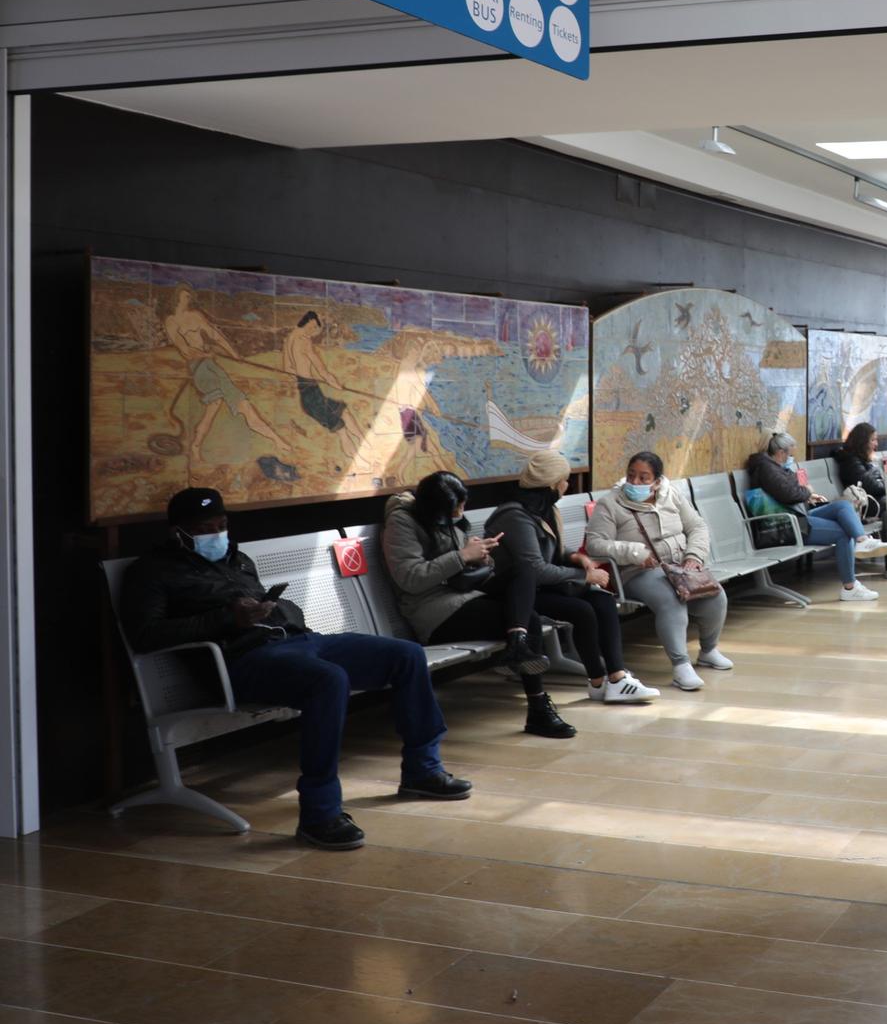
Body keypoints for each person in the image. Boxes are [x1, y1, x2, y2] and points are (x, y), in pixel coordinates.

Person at [120, 487, 472, 850]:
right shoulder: (151, 572)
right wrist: (228, 618)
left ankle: (422, 769)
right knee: (328, 681)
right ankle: (319, 813)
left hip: (299, 641)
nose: (217, 534)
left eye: (222, 524)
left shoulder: (236, 559)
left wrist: (270, 609)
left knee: (406, 655)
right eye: (205, 528)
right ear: (179, 532)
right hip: (244, 660)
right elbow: (146, 634)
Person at [384, 470, 574, 738]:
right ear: (435, 506)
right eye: (456, 507)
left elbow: (461, 563)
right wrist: (462, 555)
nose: (461, 511)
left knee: (524, 570)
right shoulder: (401, 522)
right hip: (434, 611)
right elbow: (410, 578)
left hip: (465, 592)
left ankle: (518, 645)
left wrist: (482, 557)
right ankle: (538, 709)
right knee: (528, 620)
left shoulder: (443, 516)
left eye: (463, 504)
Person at [489, 450, 660, 703]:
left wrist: (576, 558)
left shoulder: (543, 510)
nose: (566, 485)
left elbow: (552, 550)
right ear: (552, 484)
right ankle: (600, 680)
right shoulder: (515, 516)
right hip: (517, 594)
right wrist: (584, 576)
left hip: (542, 586)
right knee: (582, 609)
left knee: (601, 599)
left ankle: (615, 678)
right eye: (564, 480)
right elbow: (534, 568)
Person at [585, 451, 731, 692]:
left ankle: (708, 651)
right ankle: (681, 666)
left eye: (644, 478)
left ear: (657, 480)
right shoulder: (610, 503)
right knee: (670, 601)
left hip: (679, 566)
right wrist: (635, 553)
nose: (635, 483)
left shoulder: (670, 495)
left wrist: (693, 557)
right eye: (631, 476)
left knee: (716, 596)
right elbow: (596, 544)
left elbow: (697, 526)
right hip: (636, 572)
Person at [744, 432, 887, 602]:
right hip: (787, 525)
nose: (791, 458)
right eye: (790, 454)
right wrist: (807, 492)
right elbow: (790, 493)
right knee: (844, 533)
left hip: (798, 516)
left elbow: (795, 489)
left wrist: (806, 493)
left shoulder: (775, 467)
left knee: (843, 505)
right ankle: (850, 587)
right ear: (781, 453)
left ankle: (862, 540)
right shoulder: (767, 469)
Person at [163, 288, 294, 471]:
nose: (189, 298)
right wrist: (206, 353)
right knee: (225, 406)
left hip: (212, 366)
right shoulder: (172, 321)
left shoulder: (195, 315)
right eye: (186, 295)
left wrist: (234, 354)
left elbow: (215, 335)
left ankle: (277, 440)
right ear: (176, 297)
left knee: (233, 406)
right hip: (200, 369)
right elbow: (184, 350)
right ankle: (196, 446)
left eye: (190, 295)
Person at [282, 310, 367, 462]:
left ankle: (366, 444)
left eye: (315, 327)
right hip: (311, 397)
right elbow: (321, 370)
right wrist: (334, 382)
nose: (312, 330)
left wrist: (300, 376)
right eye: (312, 326)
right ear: (306, 321)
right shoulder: (303, 340)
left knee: (344, 411)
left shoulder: (291, 339)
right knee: (341, 430)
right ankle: (361, 461)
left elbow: (288, 368)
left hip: (312, 393)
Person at [833, 423, 887, 508]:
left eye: (876, 440)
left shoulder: (861, 459)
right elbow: (872, 487)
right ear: (862, 442)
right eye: (872, 440)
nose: (876, 444)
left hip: (876, 500)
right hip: (868, 504)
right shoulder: (851, 462)